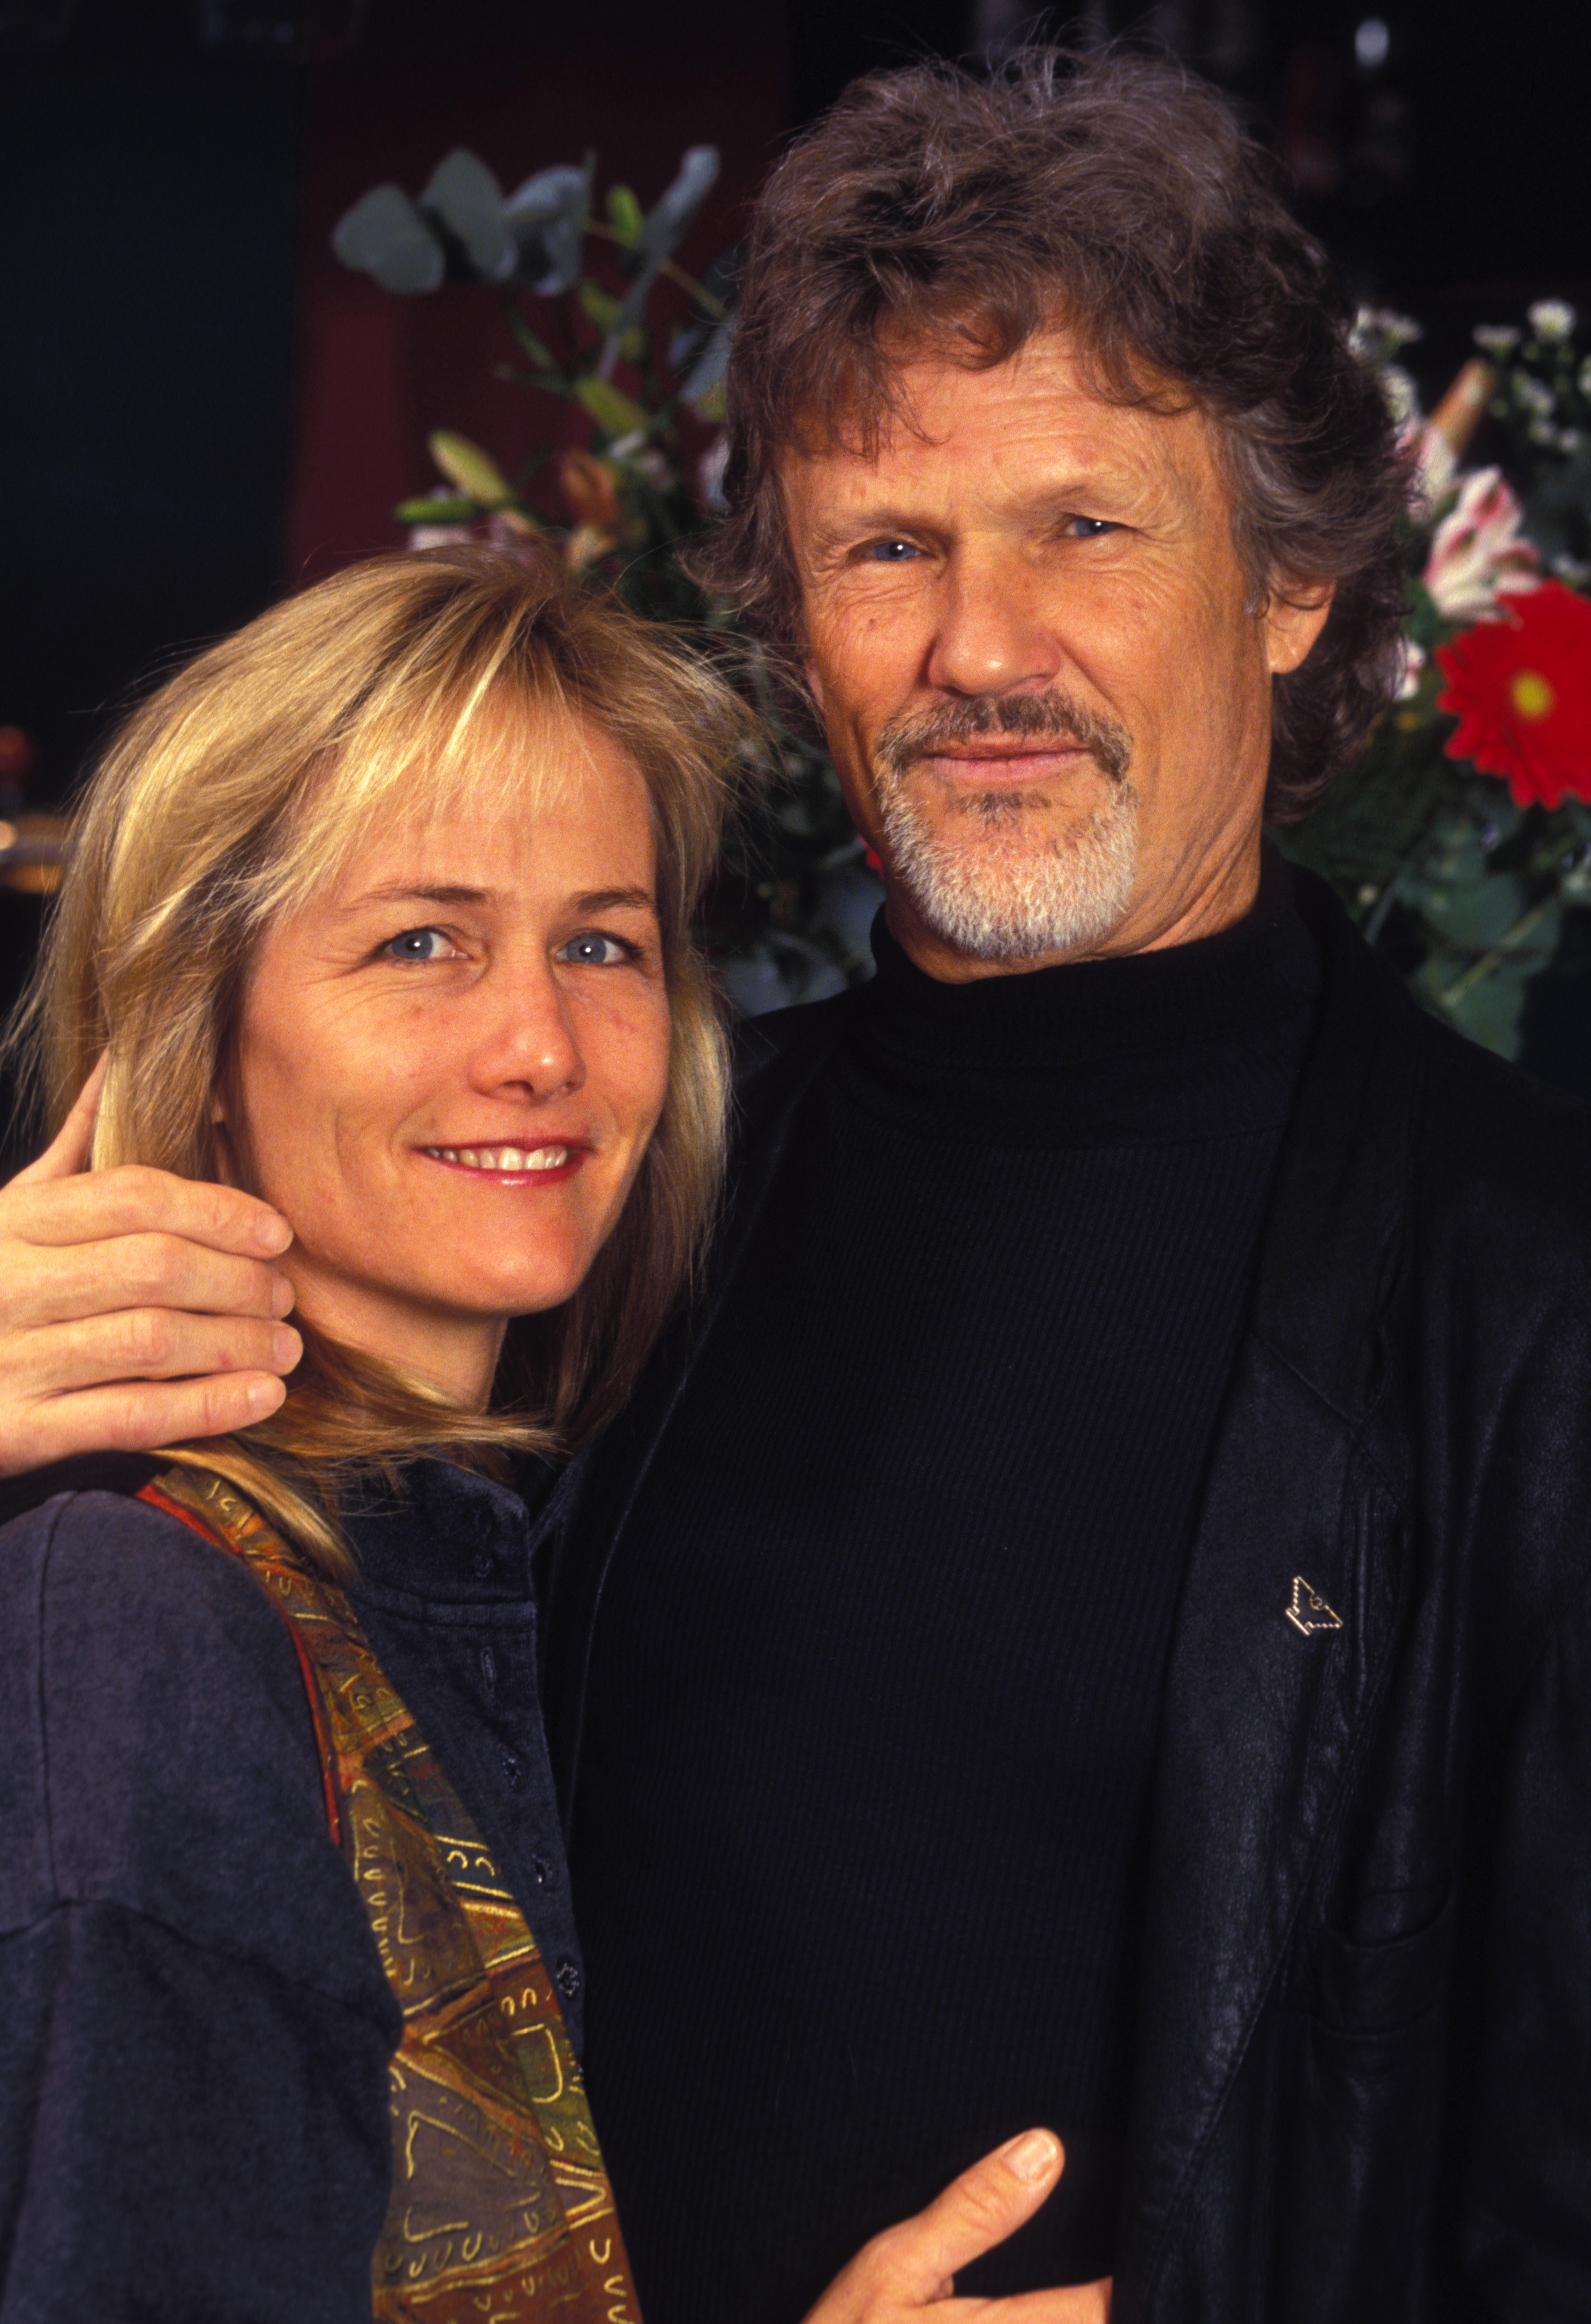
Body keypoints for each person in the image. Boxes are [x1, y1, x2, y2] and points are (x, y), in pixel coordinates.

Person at [3, 48, 1588, 2320]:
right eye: (884, 546)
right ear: (794, 622)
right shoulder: (607, 1187)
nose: (977, 647)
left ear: (1294, 592)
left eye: (1082, 525)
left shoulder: (1531, 1308)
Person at [0, 543, 1107, 2322]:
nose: (540, 1045)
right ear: (204, 1027)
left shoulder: (506, 1548)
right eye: (420, 941)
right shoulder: (142, 1618)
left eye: (601, 941)